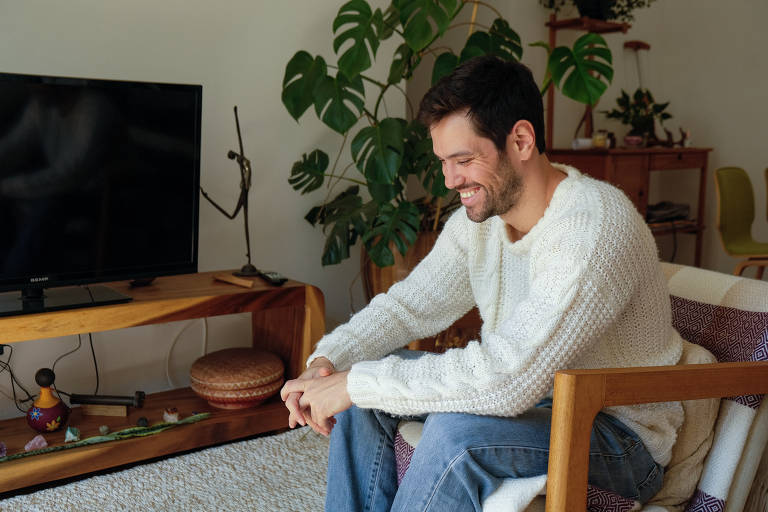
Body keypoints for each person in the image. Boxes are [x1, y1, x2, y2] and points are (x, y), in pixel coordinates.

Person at [280, 55, 683, 511]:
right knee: (367, 382)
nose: (452, 180)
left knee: (456, 436)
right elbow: (408, 306)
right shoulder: (481, 223)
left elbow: (507, 379)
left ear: (521, 140)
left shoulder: (593, 227)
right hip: (536, 404)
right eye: (444, 162)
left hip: (618, 437)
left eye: (464, 159)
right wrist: (330, 361)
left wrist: (357, 383)